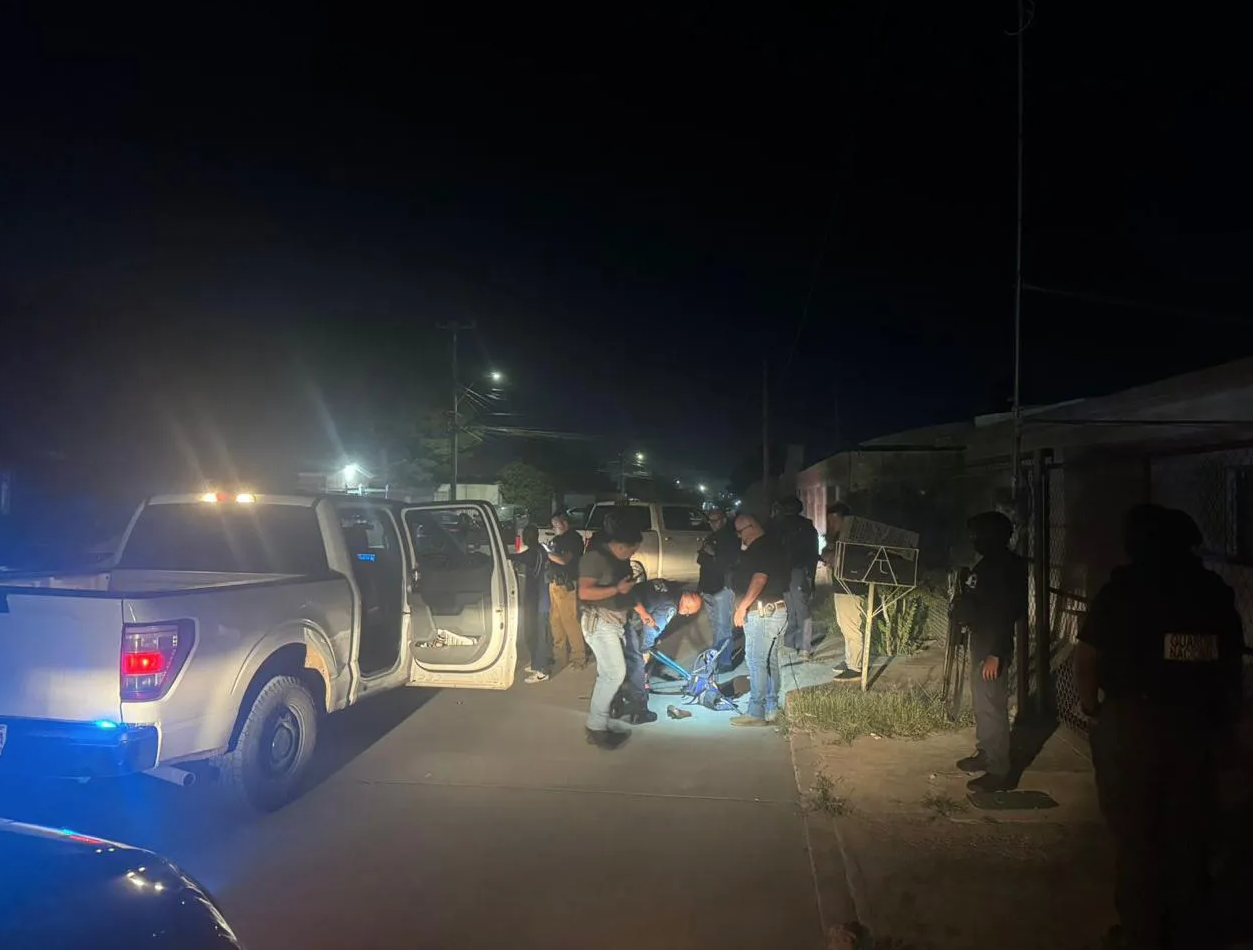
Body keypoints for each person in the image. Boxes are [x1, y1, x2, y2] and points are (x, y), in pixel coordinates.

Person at [1074, 505, 1243, 950]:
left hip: (1131, 724)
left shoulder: (1122, 592)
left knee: (1136, 834)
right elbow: (1231, 666)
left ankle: (1142, 931)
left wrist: (1092, 709)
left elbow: (1087, 657)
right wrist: (1228, 725)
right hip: (1195, 726)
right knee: (1190, 831)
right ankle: (1188, 929)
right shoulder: (1212, 592)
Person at [951, 511, 1026, 793]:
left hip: (993, 645)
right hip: (981, 640)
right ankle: (986, 751)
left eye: (978, 534)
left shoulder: (1007, 566)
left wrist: (997, 652)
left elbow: (1008, 612)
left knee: (992, 704)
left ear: (992, 535)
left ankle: (999, 770)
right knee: (982, 702)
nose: (974, 540)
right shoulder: (988, 563)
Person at [578, 522, 643, 749]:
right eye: (632, 550)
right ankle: (596, 728)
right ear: (622, 546)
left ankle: (597, 726)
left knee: (609, 674)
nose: (633, 555)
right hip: (600, 622)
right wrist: (617, 589)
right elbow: (584, 591)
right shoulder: (595, 558)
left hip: (614, 623)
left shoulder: (618, 560)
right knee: (614, 674)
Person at [728, 512, 790, 726]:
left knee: (756, 662)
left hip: (762, 613)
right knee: (770, 661)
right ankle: (771, 708)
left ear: (751, 527)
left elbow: (759, 578)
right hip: (775, 611)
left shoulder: (762, 548)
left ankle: (756, 712)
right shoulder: (773, 545)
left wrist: (742, 607)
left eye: (740, 532)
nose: (739, 537)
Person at [617, 578, 703, 724]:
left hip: (618, 606)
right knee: (638, 665)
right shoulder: (670, 607)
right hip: (626, 616)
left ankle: (616, 703)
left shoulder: (668, 586)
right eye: (689, 612)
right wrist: (645, 651)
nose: (686, 614)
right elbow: (651, 629)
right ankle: (639, 711)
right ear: (686, 607)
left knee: (616, 666)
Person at [821, 501, 866, 681]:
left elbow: (834, 558)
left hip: (851, 589)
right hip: (842, 587)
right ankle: (850, 661)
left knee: (852, 628)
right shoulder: (840, 538)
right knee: (845, 627)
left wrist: (830, 555)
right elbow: (828, 555)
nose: (830, 524)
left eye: (833, 520)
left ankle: (855, 667)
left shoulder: (851, 539)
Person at [774, 496, 819, 657]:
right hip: (797, 571)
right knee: (798, 608)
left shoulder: (782, 525)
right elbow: (813, 553)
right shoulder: (806, 526)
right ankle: (800, 645)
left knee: (794, 608)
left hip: (792, 571)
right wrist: (811, 577)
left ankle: (798, 644)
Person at [509, 523, 552, 683]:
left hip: (539, 600)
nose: (524, 539)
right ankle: (536, 663)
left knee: (539, 634)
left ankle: (542, 670)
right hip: (536, 598)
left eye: (526, 536)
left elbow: (519, 557)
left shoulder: (535, 552)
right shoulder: (539, 550)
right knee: (532, 632)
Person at [697, 506, 739, 672]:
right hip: (708, 587)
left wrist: (713, 553)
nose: (712, 523)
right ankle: (717, 657)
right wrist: (700, 588)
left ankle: (724, 661)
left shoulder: (731, 539)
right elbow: (701, 561)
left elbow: (729, 564)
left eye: (715, 520)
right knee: (715, 626)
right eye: (710, 520)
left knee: (723, 627)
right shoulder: (711, 537)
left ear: (723, 520)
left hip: (722, 588)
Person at [546, 511, 588, 670]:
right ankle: (560, 655)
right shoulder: (557, 540)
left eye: (555, 525)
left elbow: (564, 560)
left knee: (570, 621)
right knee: (555, 621)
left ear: (564, 523)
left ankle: (579, 657)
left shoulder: (573, 539)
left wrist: (547, 553)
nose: (553, 528)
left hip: (566, 584)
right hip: (554, 584)